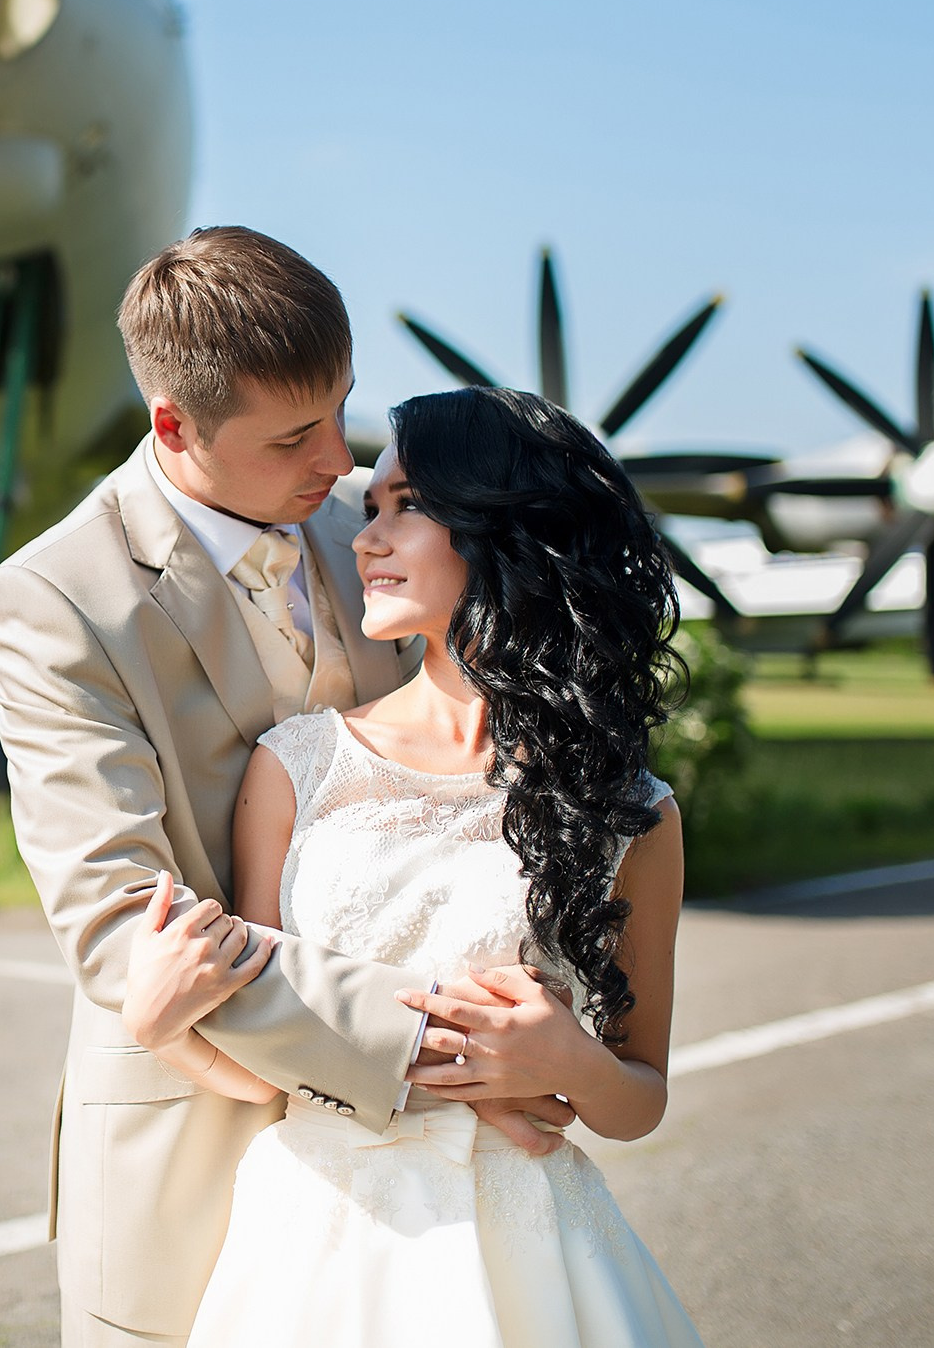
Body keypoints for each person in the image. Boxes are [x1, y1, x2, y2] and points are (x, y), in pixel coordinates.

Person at [0, 228, 572, 1347]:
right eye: (295, 434)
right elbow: (123, 926)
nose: (333, 459)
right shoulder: (56, 598)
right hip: (194, 1130)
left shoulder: (376, 526)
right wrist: (444, 1059)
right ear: (173, 426)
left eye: (343, 407)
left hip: (430, 1189)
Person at [122, 384, 703, 1346]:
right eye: (371, 506)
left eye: (406, 506)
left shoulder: (630, 809)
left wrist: (572, 1061)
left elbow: (639, 1095)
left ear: (503, 526)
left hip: (525, 1246)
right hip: (319, 1244)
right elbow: (265, 1058)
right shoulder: (297, 764)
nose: (365, 537)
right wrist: (162, 1027)